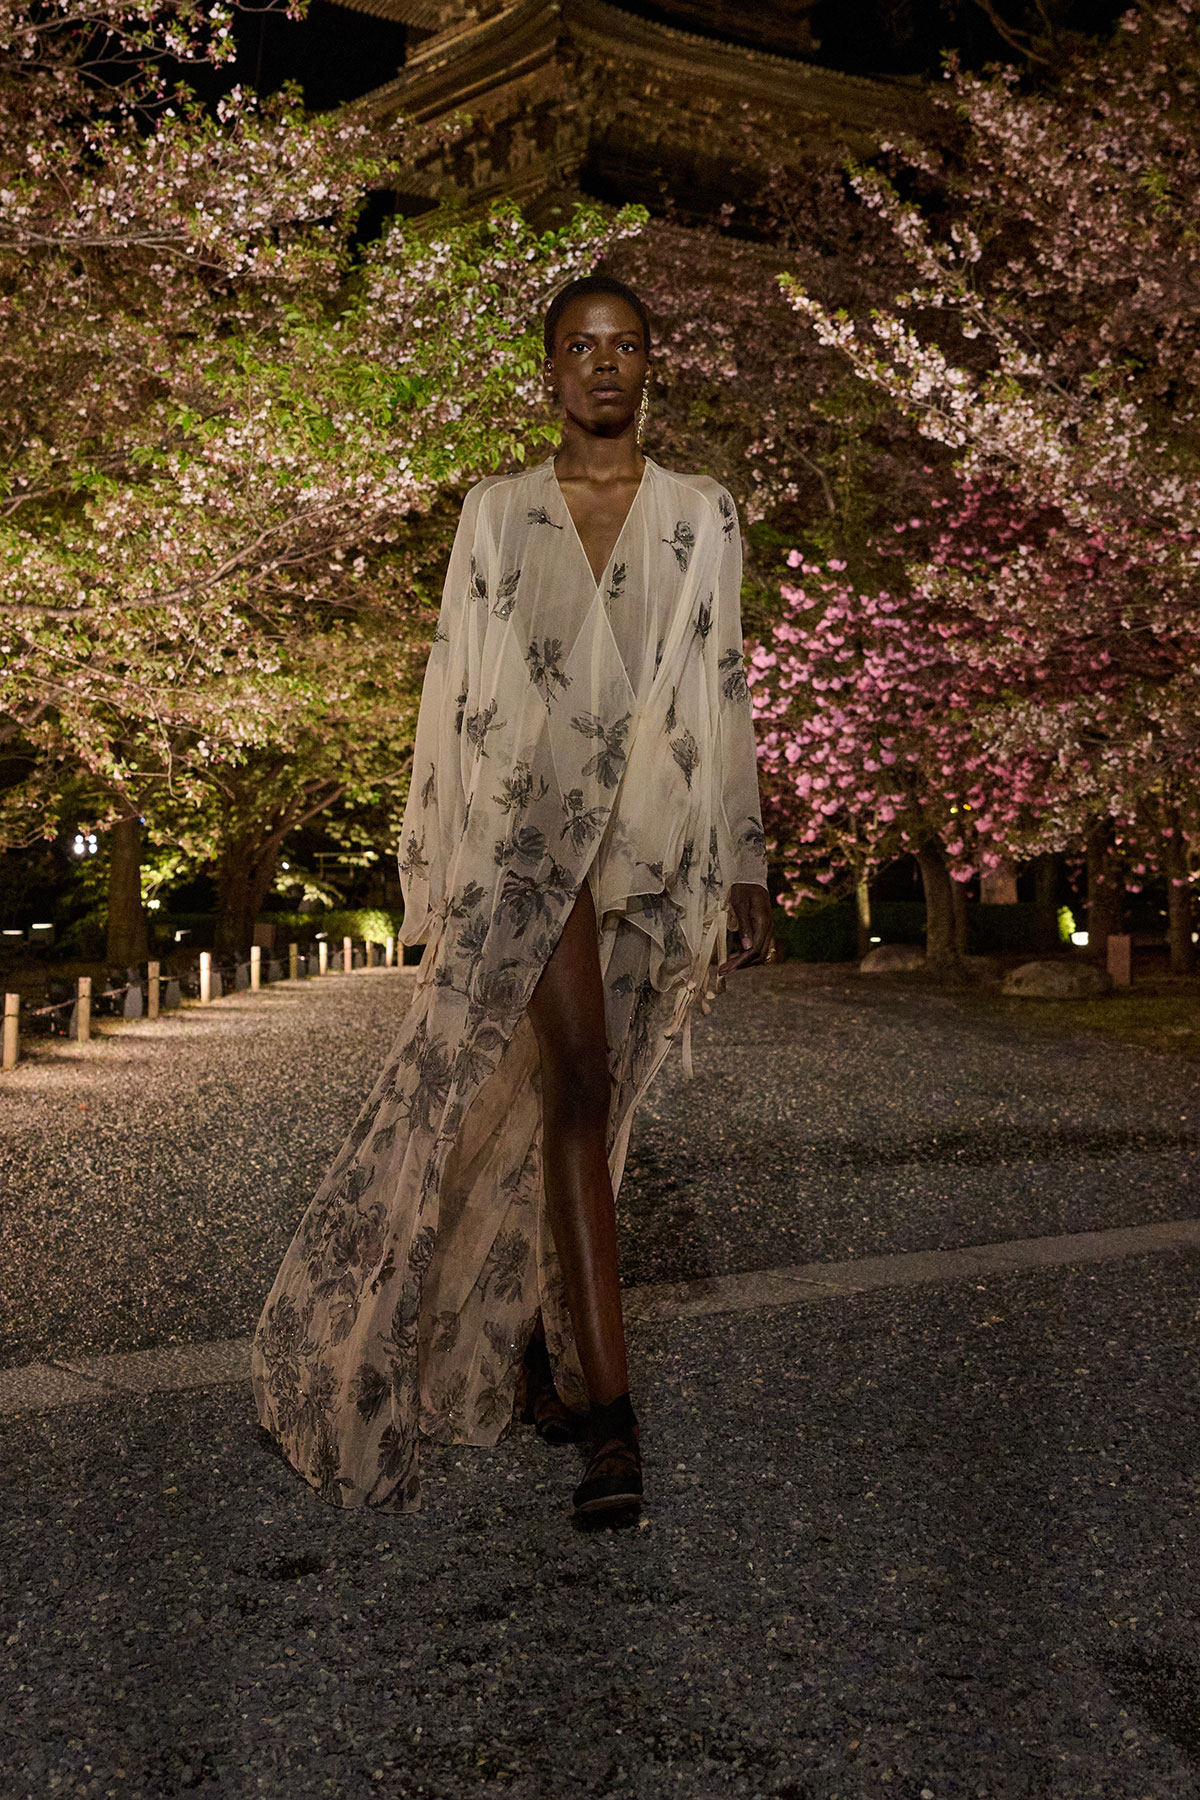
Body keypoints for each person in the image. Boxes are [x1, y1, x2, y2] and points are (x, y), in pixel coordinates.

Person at [251, 274, 772, 1522]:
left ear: (651, 365)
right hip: (529, 843)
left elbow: (724, 684)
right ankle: (613, 1423)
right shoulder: (496, 513)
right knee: (580, 1086)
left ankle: (538, 1353)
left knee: (575, 1104)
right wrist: (441, 867)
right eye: (581, 345)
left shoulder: (701, 513)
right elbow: (457, 688)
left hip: (647, 844)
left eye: (627, 344)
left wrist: (746, 856)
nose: (606, 364)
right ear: (549, 368)